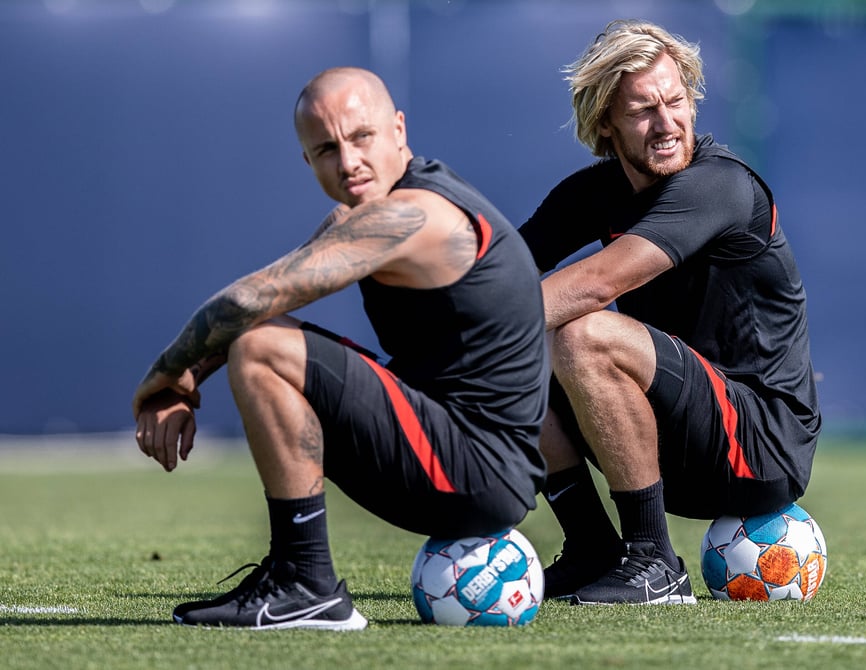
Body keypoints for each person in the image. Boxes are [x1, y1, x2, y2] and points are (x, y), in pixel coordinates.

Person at [132, 67, 548, 630]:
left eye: (362, 137)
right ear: (308, 161)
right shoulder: (365, 215)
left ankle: (305, 582)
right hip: (464, 455)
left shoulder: (413, 215)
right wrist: (188, 380)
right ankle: (300, 578)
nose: (347, 161)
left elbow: (254, 297)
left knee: (260, 349)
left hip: (479, 471)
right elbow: (266, 301)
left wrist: (162, 378)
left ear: (398, 129)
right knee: (261, 337)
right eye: (326, 148)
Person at [518, 19, 821, 606]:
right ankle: (592, 550)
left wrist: (478, 332)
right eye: (642, 111)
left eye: (676, 101)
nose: (666, 123)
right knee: (519, 353)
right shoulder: (592, 193)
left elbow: (597, 282)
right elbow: (502, 271)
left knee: (577, 332)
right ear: (604, 121)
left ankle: (654, 562)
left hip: (760, 441)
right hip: (677, 436)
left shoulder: (719, 185)